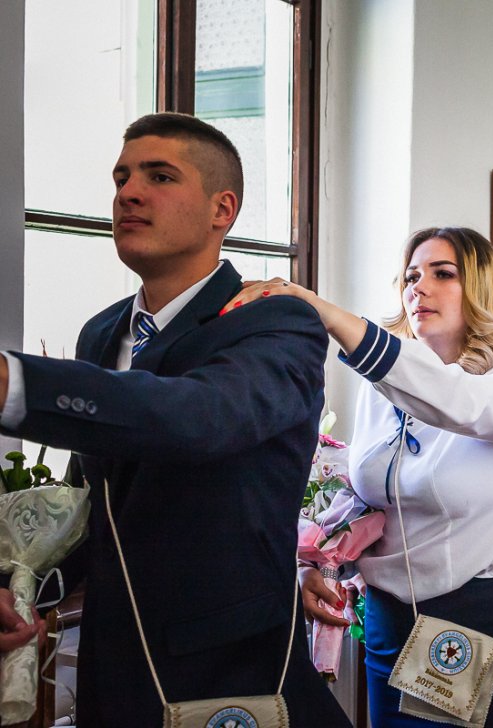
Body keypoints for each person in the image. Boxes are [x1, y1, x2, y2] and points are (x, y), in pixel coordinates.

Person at [0, 113, 349, 726]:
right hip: (113, 667)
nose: (129, 194)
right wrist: (23, 584)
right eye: (121, 178)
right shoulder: (101, 332)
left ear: (222, 209)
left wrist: (16, 384)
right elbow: (97, 505)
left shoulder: (277, 323)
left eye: (159, 177)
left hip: (229, 672)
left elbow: (197, 416)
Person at [229, 226, 493, 727]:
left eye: (442, 274)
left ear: (482, 289)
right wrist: (318, 562)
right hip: (390, 621)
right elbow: (367, 494)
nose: (418, 287)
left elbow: (463, 403)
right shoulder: (381, 389)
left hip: (484, 623)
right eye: (411, 276)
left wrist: (325, 312)